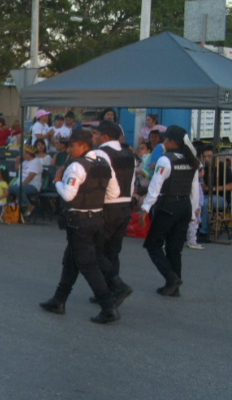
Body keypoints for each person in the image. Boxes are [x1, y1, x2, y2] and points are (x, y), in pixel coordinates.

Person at [38, 129, 119, 323]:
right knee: (71, 260)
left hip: (80, 221)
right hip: (97, 219)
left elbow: (67, 195)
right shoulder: (104, 163)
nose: (68, 149)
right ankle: (59, 300)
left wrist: (57, 180)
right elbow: (114, 194)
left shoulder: (77, 166)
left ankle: (108, 306)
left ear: (83, 145)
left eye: (72, 145)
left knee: (87, 264)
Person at [139, 126, 201, 297]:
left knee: (153, 244)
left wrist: (145, 208)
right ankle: (174, 286)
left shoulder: (166, 160)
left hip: (168, 206)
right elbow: (194, 188)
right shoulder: (192, 160)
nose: (163, 142)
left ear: (172, 142)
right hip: (184, 206)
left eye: (165, 139)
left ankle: (171, 278)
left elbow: (155, 185)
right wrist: (194, 211)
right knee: (175, 248)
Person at [90, 122, 135, 304]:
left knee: (94, 250)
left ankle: (117, 286)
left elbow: (97, 182)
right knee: (113, 252)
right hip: (125, 205)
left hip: (108, 206)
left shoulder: (101, 153)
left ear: (105, 136)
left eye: (96, 134)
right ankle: (108, 291)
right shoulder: (128, 153)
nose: (94, 137)